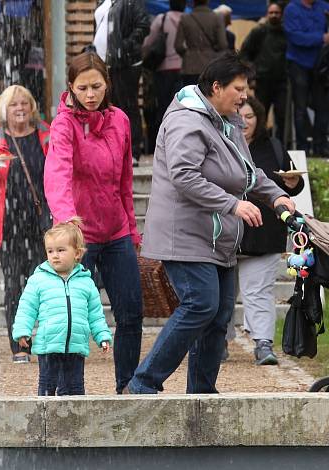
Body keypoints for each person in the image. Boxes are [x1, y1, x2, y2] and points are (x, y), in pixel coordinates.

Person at [127, 53, 296, 394]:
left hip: (218, 237)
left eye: (246, 88)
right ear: (216, 87)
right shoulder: (186, 122)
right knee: (201, 304)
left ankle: (201, 392)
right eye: (238, 88)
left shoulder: (227, 120)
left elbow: (248, 173)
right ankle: (144, 382)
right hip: (184, 234)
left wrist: (277, 196)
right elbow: (184, 176)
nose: (244, 95)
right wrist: (233, 205)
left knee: (218, 316)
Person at [44, 51, 143, 395]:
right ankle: (65, 390)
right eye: (83, 87)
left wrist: (131, 229)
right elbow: (58, 172)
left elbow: (125, 181)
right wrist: (66, 219)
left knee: (131, 312)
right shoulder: (63, 124)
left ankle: (129, 386)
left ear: (107, 84)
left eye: (96, 86)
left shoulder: (120, 120)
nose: (90, 94)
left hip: (116, 231)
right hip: (78, 236)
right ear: (70, 86)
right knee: (66, 318)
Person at [0, 85, 53, 364]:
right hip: (7, 223)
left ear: (32, 107)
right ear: (3, 109)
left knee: (41, 282)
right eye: (14, 104)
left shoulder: (45, 134)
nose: (20, 108)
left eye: (24, 103)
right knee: (14, 284)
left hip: (41, 221)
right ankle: (20, 344)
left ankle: (45, 338)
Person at [235, 96, 304, 365]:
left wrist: (293, 181)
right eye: (239, 115)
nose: (244, 122)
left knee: (258, 291)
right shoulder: (220, 142)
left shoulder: (272, 146)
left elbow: (289, 186)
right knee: (220, 297)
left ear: (260, 119)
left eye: (250, 116)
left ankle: (263, 343)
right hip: (225, 234)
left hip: (264, 233)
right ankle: (218, 342)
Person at [12, 218, 113, 396]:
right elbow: (26, 308)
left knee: (75, 390)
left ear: (77, 253)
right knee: (47, 388)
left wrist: (102, 336)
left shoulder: (86, 282)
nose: (55, 255)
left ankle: (74, 422)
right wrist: (22, 330)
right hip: (48, 346)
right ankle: (45, 421)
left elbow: (95, 315)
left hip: (76, 346)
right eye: (50, 251)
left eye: (61, 250)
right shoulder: (39, 280)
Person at [92, 0, 150, 166]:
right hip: (103, 63)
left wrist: (125, 47)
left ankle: (132, 151)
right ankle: (111, 148)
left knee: (127, 105)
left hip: (126, 63)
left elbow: (144, 25)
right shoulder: (103, 2)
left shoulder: (131, 2)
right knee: (107, 107)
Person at [284, 0, 329, 157]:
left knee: (323, 106)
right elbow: (294, 37)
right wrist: (320, 38)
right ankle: (303, 147)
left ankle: (321, 145)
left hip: (321, 64)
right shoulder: (292, 8)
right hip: (298, 63)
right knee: (300, 107)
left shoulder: (325, 6)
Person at [239, 2, 287, 143]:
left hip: (282, 81)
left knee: (282, 116)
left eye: (276, 13)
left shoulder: (286, 33)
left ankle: (280, 144)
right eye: (271, 12)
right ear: (267, 14)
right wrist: (252, 75)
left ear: (281, 14)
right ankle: (260, 143)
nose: (274, 15)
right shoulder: (259, 31)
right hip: (262, 80)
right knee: (261, 114)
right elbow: (245, 54)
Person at [142, 0, 186, 149]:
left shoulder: (162, 18)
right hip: (183, 69)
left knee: (163, 107)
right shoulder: (188, 20)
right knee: (182, 108)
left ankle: (163, 144)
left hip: (163, 69)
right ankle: (178, 143)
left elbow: (148, 42)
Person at [174, 0, 227, 86]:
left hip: (190, 66)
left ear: (193, 2)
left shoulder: (185, 18)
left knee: (191, 95)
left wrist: (188, 54)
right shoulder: (217, 17)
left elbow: (178, 46)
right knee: (208, 96)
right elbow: (223, 44)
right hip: (210, 64)